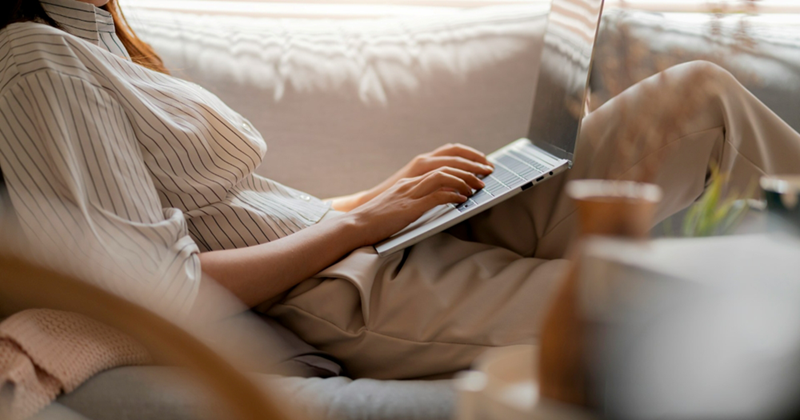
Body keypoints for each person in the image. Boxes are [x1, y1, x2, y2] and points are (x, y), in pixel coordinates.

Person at [1, 0, 799, 379]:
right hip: (342, 292)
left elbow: (240, 211)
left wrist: (388, 193)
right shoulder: (36, 61)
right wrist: (363, 227)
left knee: (698, 97)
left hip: (371, 245)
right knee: (654, 297)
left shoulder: (92, 28)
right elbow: (156, 287)